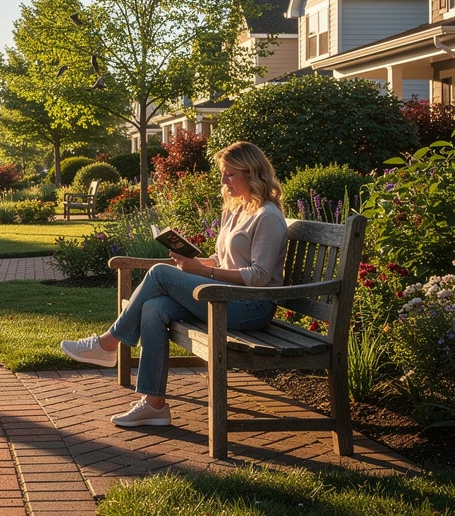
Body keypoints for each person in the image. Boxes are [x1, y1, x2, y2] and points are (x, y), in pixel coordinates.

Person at [60, 141, 287, 429]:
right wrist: (192, 261)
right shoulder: (237, 209)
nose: (223, 180)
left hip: (252, 307)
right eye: (223, 173)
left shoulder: (267, 216)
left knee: (158, 273)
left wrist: (200, 271)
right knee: (154, 308)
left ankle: (107, 344)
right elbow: (221, 259)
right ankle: (154, 406)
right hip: (224, 298)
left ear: (252, 173)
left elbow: (259, 276)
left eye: (230, 174)